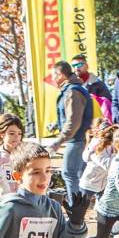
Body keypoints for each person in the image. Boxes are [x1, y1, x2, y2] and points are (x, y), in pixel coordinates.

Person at [51, 60, 94, 227]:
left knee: (69, 174)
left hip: (76, 140)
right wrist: (56, 126)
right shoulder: (74, 89)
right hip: (79, 138)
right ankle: (79, 210)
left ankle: (76, 212)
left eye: (54, 75)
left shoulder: (72, 92)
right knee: (80, 175)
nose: (53, 79)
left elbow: (74, 121)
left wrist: (59, 140)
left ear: (61, 75)